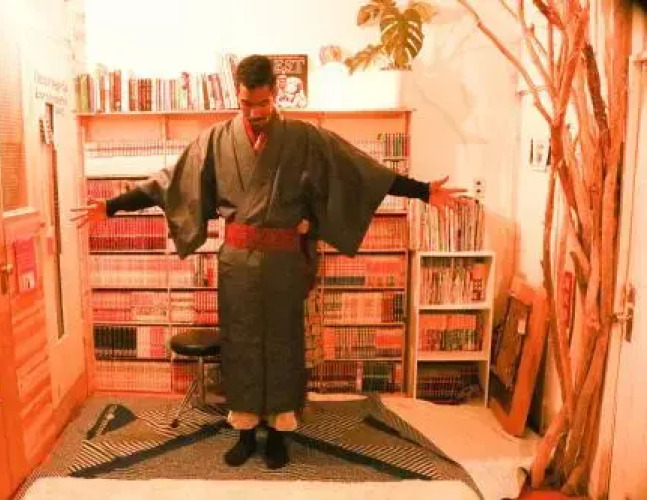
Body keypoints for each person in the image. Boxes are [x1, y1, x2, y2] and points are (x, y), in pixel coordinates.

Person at [71, 54, 464, 470]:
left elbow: (357, 170)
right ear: (237, 96)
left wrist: (423, 191)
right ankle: (244, 431)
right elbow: (169, 183)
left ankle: (278, 433)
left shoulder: (304, 138)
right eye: (246, 104)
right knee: (240, 344)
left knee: (282, 345)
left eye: (262, 103)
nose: (255, 113)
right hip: (237, 263)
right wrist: (111, 206)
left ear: (275, 95)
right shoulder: (216, 141)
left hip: (284, 262)